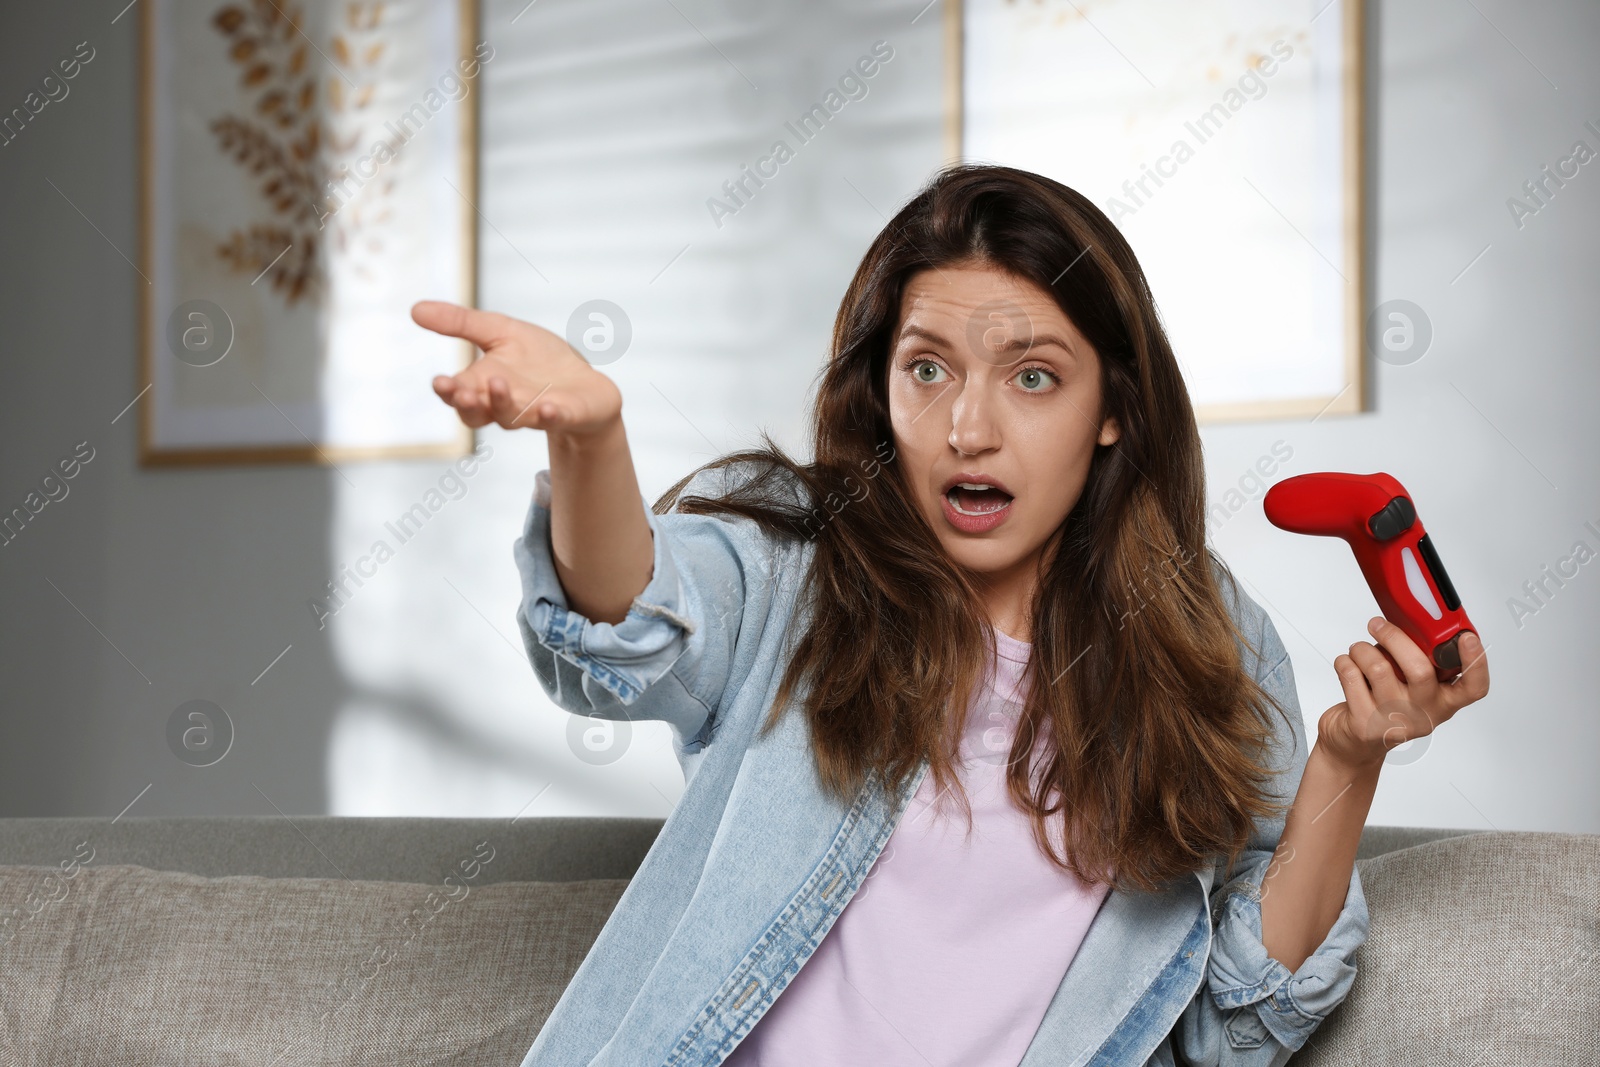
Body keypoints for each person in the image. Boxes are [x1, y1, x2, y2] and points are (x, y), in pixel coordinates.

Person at [412, 163, 1490, 1066]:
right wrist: (591, 439)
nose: (967, 426)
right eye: (926, 368)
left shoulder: (1203, 634)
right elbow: (627, 629)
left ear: (1114, 406)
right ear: (879, 383)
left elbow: (1233, 1022)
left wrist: (1348, 759)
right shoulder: (800, 565)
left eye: (1032, 376)